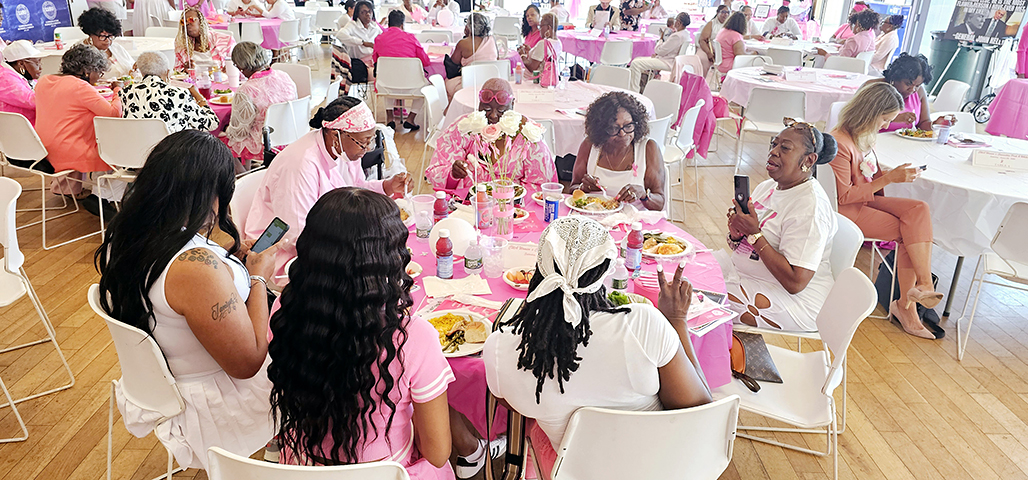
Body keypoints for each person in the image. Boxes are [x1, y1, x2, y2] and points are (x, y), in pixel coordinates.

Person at [95, 130, 278, 471]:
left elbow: (177, 289)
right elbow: (247, 363)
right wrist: (257, 278)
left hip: (164, 378)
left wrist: (226, 260)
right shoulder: (196, 268)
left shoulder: (127, 235)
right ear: (211, 194)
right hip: (215, 401)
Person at [483, 215, 712, 478]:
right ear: (604, 272)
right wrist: (677, 320)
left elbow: (513, 404)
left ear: (539, 271)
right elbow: (700, 412)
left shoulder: (501, 348)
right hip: (658, 468)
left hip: (575, 471)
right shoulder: (643, 325)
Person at [269, 187, 454, 478]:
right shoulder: (413, 336)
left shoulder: (285, 308)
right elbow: (438, 452)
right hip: (388, 471)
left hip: (303, 467)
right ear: (389, 259)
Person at [245, 97, 411, 277]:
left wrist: (387, 186)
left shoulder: (344, 150)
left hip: (329, 235)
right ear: (335, 135)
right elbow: (296, 235)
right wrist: (351, 246)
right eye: (363, 142)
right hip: (284, 255)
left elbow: (356, 189)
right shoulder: (300, 165)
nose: (367, 149)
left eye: (369, 141)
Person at [829, 82, 941, 339]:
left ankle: (923, 285)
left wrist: (892, 174)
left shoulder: (863, 136)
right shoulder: (840, 143)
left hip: (865, 201)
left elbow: (869, 174)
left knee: (919, 209)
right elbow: (843, 196)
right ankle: (906, 306)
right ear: (870, 113)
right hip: (849, 211)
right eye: (885, 119)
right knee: (908, 233)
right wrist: (890, 179)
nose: (886, 125)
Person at [718, 120, 839, 331]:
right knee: (687, 271)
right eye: (774, 144)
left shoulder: (810, 208)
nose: (773, 152)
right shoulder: (769, 187)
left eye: (785, 148)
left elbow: (796, 283)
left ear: (809, 160)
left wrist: (754, 234)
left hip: (796, 301)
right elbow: (749, 247)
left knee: (696, 298)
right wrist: (737, 234)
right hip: (752, 278)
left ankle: (723, 350)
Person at [426, 78, 556, 191]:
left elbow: (540, 186)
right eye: (487, 109)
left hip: (515, 206)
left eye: (501, 110)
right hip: (468, 203)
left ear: (512, 104)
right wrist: (453, 174)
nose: (493, 116)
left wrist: (509, 199)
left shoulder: (529, 134)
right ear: (479, 104)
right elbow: (436, 172)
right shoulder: (463, 128)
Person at [35, 44, 122, 199]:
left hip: (42, 146)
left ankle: (69, 187)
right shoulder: (79, 87)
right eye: (99, 72)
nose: (99, 77)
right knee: (117, 143)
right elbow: (113, 113)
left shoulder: (44, 81)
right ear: (86, 71)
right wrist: (118, 90)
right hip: (69, 150)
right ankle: (105, 196)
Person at [571, 91, 666, 211]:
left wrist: (644, 195)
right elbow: (572, 189)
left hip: (634, 219)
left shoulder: (648, 148)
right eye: (614, 128)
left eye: (628, 126)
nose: (622, 134)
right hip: (593, 216)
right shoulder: (590, 146)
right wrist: (583, 188)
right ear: (601, 129)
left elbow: (659, 203)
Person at [224, 42, 297, 168]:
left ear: (241, 66)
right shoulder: (283, 75)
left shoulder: (246, 90)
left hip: (265, 141)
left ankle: (244, 177)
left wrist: (226, 130)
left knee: (222, 141)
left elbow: (240, 132)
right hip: (291, 133)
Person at [119, 52, 218, 133]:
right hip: (175, 149)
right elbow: (211, 124)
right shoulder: (179, 94)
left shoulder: (126, 92)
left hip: (139, 147)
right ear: (167, 72)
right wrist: (198, 96)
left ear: (141, 72)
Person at [373, 9, 430, 131]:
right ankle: (411, 118)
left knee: (387, 77)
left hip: (386, 85)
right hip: (411, 86)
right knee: (426, 86)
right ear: (402, 24)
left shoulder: (379, 39)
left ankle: (390, 117)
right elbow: (425, 61)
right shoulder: (410, 38)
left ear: (388, 23)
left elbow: (375, 59)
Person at [863, 53, 947, 132]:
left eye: (917, 85)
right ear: (895, 77)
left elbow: (923, 123)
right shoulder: (874, 87)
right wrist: (894, 118)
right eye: (908, 84)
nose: (913, 89)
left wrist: (934, 124)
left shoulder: (919, 93)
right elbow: (861, 120)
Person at [629, 12, 690, 92]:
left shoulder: (677, 36)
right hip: (670, 60)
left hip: (668, 62)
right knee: (638, 60)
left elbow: (659, 50)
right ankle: (641, 88)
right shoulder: (686, 34)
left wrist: (661, 38)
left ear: (678, 22)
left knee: (635, 64)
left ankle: (634, 91)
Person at [443, 13, 496, 98]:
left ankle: (452, 104)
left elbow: (453, 64)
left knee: (446, 82)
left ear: (468, 27)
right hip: (489, 83)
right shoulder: (492, 39)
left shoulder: (463, 43)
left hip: (468, 83)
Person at [77, 8, 134, 80]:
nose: (108, 40)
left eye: (110, 36)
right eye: (103, 36)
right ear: (90, 34)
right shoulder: (80, 53)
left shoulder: (116, 48)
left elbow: (131, 66)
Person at [337, 0, 382, 88]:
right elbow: (340, 35)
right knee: (373, 75)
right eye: (363, 12)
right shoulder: (353, 25)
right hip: (359, 63)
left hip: (374, 61)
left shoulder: (374, 26)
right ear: (357, 14)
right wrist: (362, 42)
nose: (368, 14)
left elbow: (384, 38)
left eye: (369, 11)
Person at [175, 7, 236, 71]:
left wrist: (229, 69)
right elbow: (176, 71)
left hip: (219, 76)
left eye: (191, 20)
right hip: (194, 77)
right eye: (183, 22)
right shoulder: (181, 45)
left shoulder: (226, 41)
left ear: (200, 21)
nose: (187, 24)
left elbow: (237, 67)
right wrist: (184, 70)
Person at [0, 40, 44, 125]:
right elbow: (35, 102)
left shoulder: (24, 76)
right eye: (37, 63)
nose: (40, 67)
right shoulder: (5, 79)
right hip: (20, 129)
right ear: (21, 64)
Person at [697, 5, 730, 72]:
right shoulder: (711, 24)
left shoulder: (730, 25)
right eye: (723, 12)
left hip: (724, 52)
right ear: (717, 13)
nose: (726, 14)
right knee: (703, 59)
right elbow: (702, 40)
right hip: (709, 49)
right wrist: (709, 53)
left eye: (728, 12)